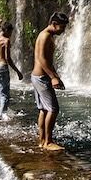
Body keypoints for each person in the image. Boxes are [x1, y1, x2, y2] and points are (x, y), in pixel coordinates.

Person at [31, 12, 69, 152]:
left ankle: (42, 140)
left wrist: (56, 76)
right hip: (42, 78)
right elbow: (41, 59)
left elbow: (47, 59)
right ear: (54, 24)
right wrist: (52, 77)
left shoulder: (46, 35)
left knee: (44, 109)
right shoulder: (45, 36)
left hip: (39, 76)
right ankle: (48, 142)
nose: (63, 30)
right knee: (53, 109)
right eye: (62, 27)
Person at [0, 21, 24, 119]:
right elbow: (8, 59)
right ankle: (2, 115)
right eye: (10, 33)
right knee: (5, 93)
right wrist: (18, 71)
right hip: (2, 67)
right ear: (7, 30)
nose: (11, 35)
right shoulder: (6, 41)